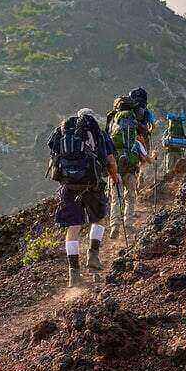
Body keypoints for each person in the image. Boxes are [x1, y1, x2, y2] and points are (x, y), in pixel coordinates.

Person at [48, 108, 118, 287]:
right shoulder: (98, 133)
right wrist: (115, 177)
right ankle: (93, 255)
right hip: (91, 185)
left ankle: (74, 273)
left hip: (69, 187)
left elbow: (52, 159)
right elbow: (110, 160)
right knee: (100, 219)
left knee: (73, 228)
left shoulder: (63, 133)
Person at [106, 96, 155, 240]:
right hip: (132, 169)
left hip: (116, 169)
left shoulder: (112, 131)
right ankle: (128, 223)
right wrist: (154, 156)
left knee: (116, 198)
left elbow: (107, 153)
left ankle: (114, 225)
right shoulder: (136, 140)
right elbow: (147, 159)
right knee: (131, 197)